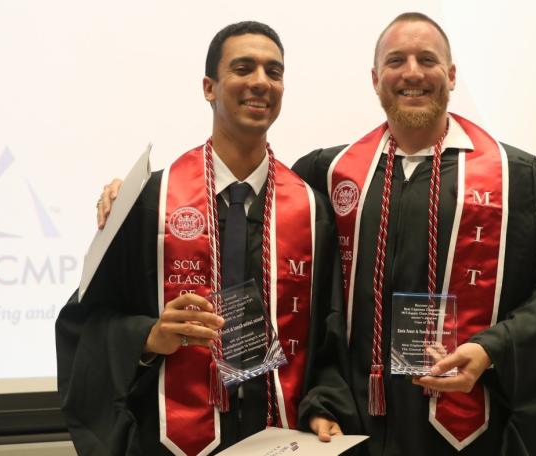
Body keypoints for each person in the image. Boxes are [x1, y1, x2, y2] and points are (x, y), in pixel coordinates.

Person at [97, 12, 536, 456]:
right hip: (352, 436)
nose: (412, 73)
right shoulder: (329, 176)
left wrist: (492, 347)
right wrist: (133, 198)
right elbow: (257, 237)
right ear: (375, 79)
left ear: (450, 74)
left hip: (470, 434)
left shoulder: (520, 179)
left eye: (427, 60)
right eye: (396, 61)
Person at [57, 21, 357, 456]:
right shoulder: (148, 202)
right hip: (171, 442)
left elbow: (330, 338)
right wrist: (148, 336)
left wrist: (322, 406)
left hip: (282, 442)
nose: (260, 82)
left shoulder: (312, 211)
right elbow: (82, 326)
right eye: (243, 68)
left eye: (274, 72)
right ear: (209, 87)